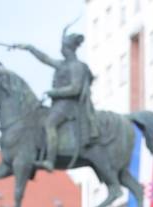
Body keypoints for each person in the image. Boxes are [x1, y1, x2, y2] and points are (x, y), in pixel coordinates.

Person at [14, 30, 97, 172]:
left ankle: (50, 160)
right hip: (58, 104)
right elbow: (45, 59)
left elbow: (75, 88)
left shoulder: (76, 66)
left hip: (69, 105)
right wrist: (30, 48)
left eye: (63, 47)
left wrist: (54, 92)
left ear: (69, 49)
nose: (61, 50)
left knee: (49, 124)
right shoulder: (62, 64)